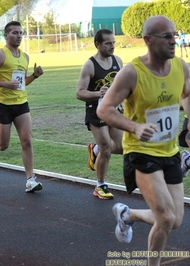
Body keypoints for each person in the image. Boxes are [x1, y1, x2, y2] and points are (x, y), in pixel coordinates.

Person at [97, 15, 188, 265]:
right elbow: (104, 109)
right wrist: (134, 127)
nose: (174, 41)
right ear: (148, 40)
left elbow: (186, 93)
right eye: (167, 36)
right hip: (142, 152)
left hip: (170, 152)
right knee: (166, 219)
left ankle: (128, 215)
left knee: (176, 220)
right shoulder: (132, 72)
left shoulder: (181, 66)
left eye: (175, 35)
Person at [0, 21, 44, 193]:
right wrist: (5, 84)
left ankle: (30, 179)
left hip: (21, 103)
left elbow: (21, 84)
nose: (19, 36)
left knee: (27, 140)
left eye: (21, 33)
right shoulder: (1, 54)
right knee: (3, 144)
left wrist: (34, 76)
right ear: (6, 35)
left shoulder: (25, 57)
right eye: (15, 33)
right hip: (3, 105)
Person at [76, 28, 123, 200]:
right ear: (98, 44)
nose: (112, 46)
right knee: (107, 149)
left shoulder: (118, 61)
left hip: (113, 110)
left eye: (113, 43)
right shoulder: (90, 65)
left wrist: (123, 101)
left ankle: (95, 150)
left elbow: (120, 86)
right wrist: (98, 93)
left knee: (123, 146)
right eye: (108, 43)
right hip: (95, 112)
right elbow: (79, 92)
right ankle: (100, 185)